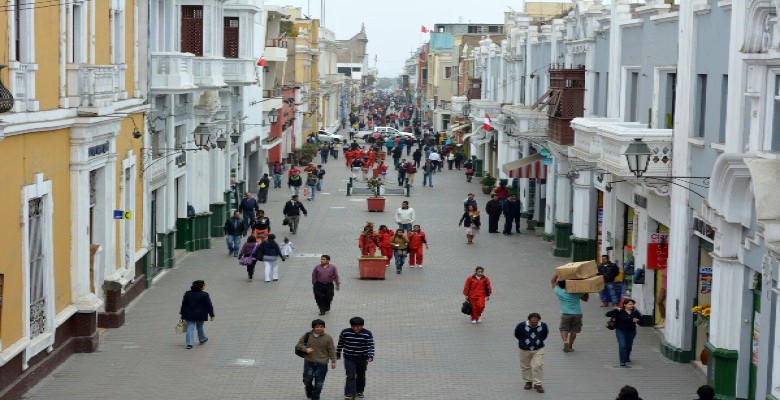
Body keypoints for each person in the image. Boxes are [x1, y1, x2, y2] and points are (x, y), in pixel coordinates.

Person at [296, 319, 337, 400]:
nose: (319, 328)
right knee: (307, 380)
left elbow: (331, 349)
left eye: (321, 327)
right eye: (317, 327)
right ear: (313, 327)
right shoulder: (307, 335)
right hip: (309, 362)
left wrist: (333, 361)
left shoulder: (328, 338)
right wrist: (305, 349)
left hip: (322, 363)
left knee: (319, 383)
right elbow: (299, 344)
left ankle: (315, 397)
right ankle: (309, 391)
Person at [337, 317, 375, 400]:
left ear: (362, 326)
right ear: (351, 326)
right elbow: (340, 343)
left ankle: (359, 391)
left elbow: (370, 346)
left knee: (361, 375)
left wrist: (370, 356)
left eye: (358, 327)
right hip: (349, 358)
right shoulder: (345, 332)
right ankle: (349, 394)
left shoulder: (367, 333)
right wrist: (338, 353)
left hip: (362, 358)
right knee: (350, 376)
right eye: (353, 326)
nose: (356, 328)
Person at [514, 312, 548, 393]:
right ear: (528, 320)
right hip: (524, 349)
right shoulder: (521, 326)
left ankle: (538, 383)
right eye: (532, 322)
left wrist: (538, 341)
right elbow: (517, 335)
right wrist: (523, 342)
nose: (534, 324)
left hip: (538, 349)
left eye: (536, 322)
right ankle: (528, 381)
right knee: (525, 366)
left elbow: (544, 335)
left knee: (538, 365)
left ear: (539, 321)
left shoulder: (543, 326)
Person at [553, 280, 589, 352]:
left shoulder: (559, 292)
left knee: (564, 329)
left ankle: (565, 343)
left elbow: (553, 281)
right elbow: (585, 300)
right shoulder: (577, 293)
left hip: (566, 314)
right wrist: (586, 291)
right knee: (574, 330)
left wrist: (558, 274)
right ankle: (570, 345)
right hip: (577, 314)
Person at [606, 298, 642, 367]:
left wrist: (638, 321)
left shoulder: (635, 312)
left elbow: (642, 322)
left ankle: (627, 357)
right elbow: (607, 314)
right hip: (620, 331)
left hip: (631, 331)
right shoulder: (620, 311)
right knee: (622, 345)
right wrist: (616, 310)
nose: (632, 306)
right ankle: (622, 361)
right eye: (630, 304)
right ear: (625, 305)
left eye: (632, 304)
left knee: (628, 346)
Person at [179, 280, 215, 349]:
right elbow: (209, 305)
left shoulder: (188, 293)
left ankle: (189, 343)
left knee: (190, 328)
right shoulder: (204, 294)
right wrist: (212, 314)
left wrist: (182, 313)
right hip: (201, 314)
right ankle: (202, 339)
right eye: (204, 285)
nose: (205, 286)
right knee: (200, 327)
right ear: (200, 287)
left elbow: (183, 304)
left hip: (189, 314)